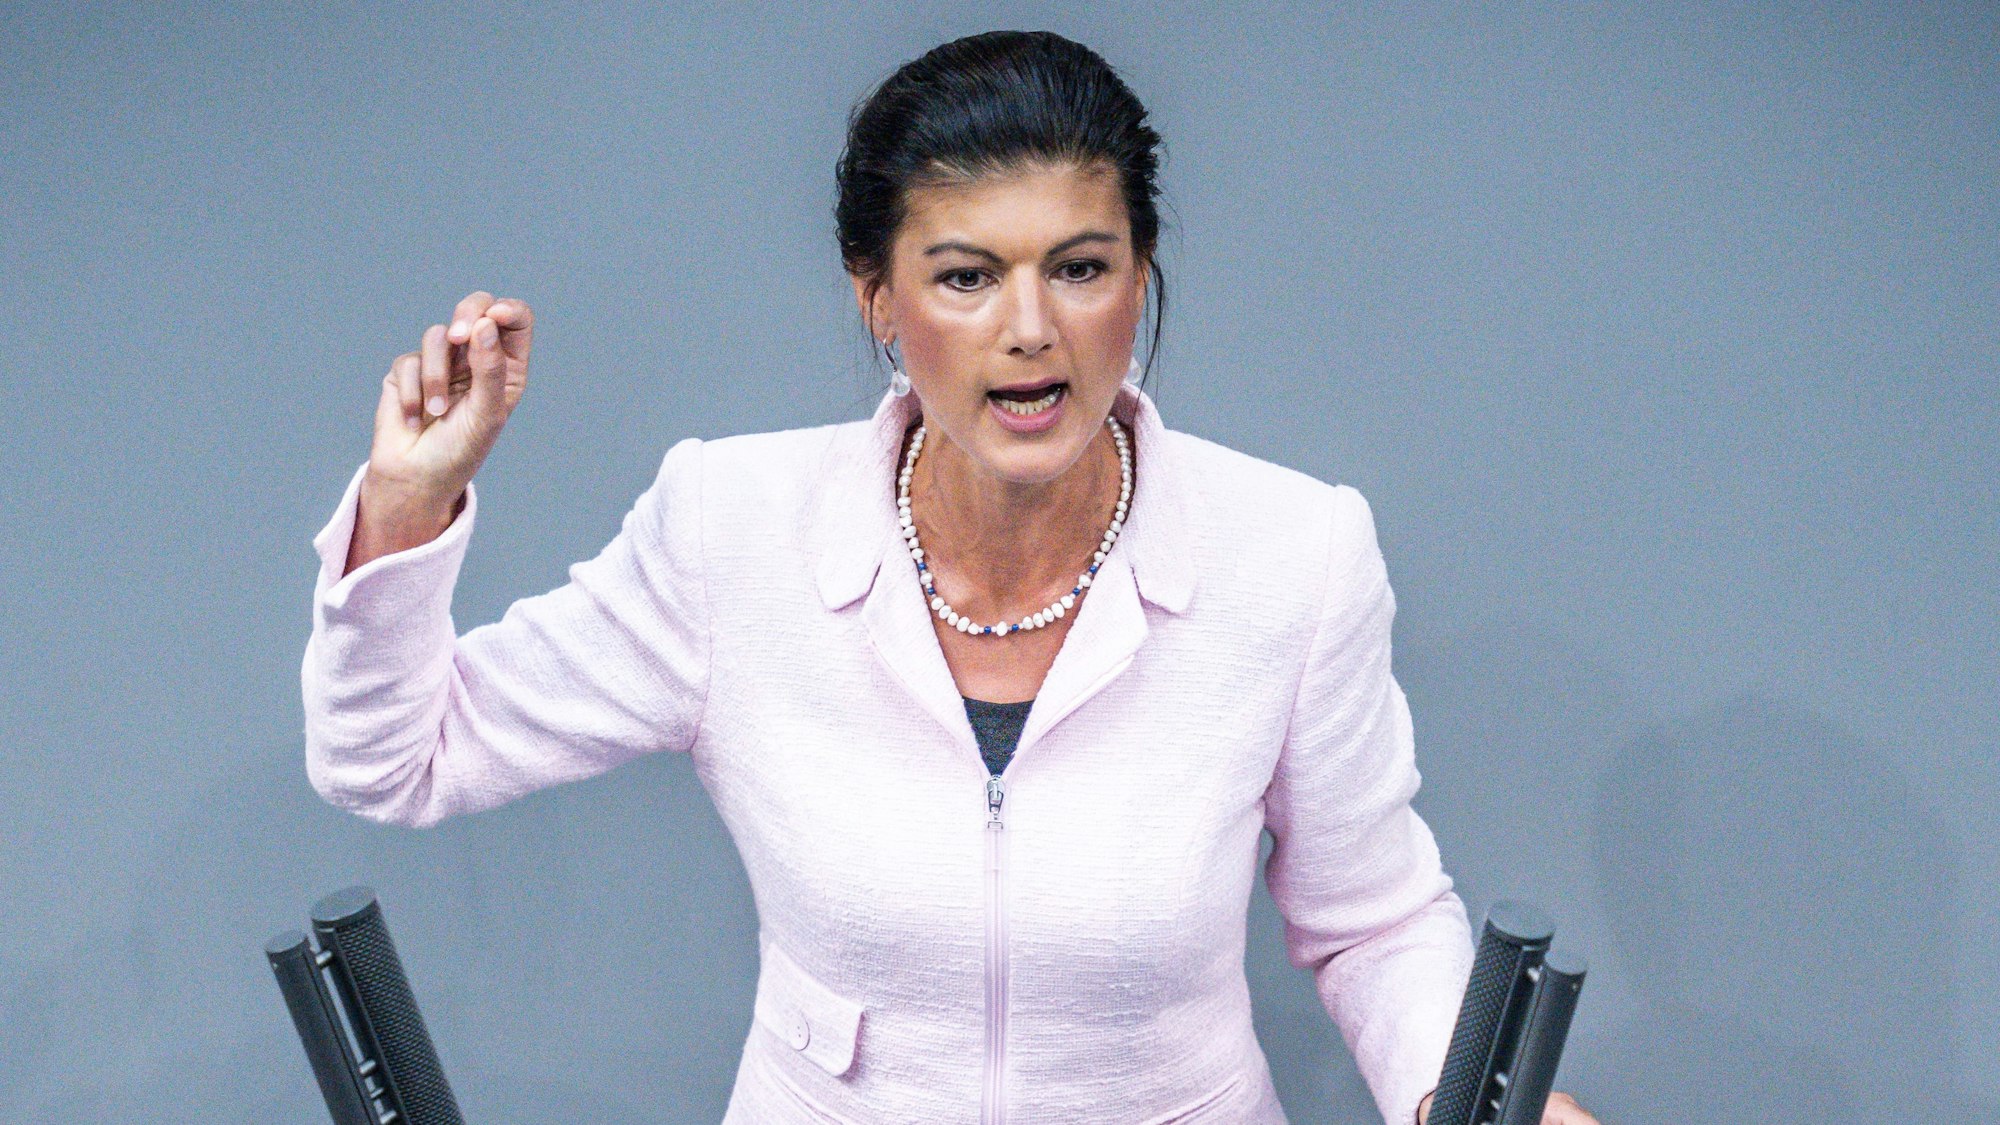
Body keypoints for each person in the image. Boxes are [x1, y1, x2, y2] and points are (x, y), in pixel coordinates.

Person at [301, 29, 1602, 1125]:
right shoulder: (729, 530)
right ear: (878, 298)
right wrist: (410, 499)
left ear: (1139, 281)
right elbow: (397, 755)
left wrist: (1477, 1092)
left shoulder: (1296, 554)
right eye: (966, 276)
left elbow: (1370, 918)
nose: (1030, 326)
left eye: (1080, 268)